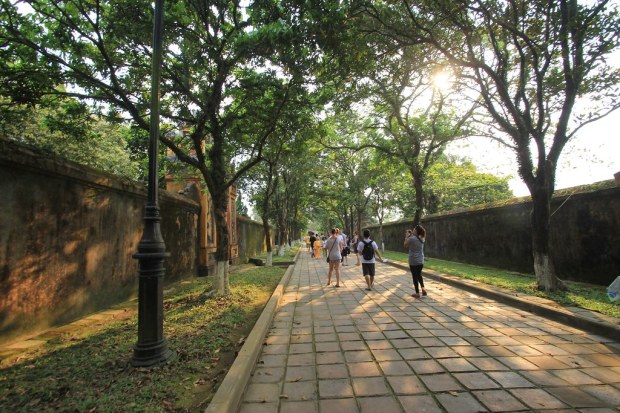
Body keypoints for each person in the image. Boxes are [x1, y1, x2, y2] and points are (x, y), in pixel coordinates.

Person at [404, 225, 427, 298]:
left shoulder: (411, 239)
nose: (413, 230)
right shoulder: (422, 238)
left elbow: (405, 245)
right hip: (420, 260)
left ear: (416, 231)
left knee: (414, 276)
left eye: (414, 229)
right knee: (419, 274)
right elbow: (416, 238)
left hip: (413, 260)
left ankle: (417, 293)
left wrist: (407, 236)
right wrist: (411, 235)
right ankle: (423, 288)